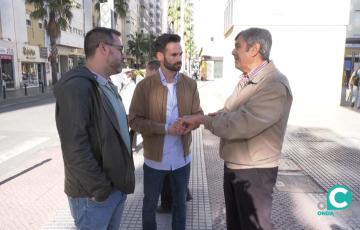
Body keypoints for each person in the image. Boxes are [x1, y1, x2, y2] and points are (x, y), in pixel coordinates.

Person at [180, 28, 293, 230]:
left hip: (254, 172)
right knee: (236, 224)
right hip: (238, 165)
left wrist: (204, 120)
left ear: (255, 49)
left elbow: (242, 123)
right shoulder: (248, 79)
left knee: (253, 226)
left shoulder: (273, 84)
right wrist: (202, 118)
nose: (233, 51)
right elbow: (228, 111)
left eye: (237, 46)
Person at [54, 27, 135, 230]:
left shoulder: (105, 85)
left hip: (113, 190)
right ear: (103, 48)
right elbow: (75, 148)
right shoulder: (78, 86)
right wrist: (100, 189)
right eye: (120, 48)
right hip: (94, 197)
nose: (123, 54)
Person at [129, 33, 203, 230]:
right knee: (149, 206)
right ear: (160, 56)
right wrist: (166, 129)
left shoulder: (190, 84)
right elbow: (134, 120)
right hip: (155, 161)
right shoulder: (144, 87)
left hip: (182, 160)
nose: (179, 59)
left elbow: (199, 114)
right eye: (173, 55)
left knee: (180, 205)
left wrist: (190, 123)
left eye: (180, 54)